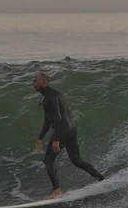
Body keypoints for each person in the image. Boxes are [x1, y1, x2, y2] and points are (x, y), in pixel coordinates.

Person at [32, 71, 105, 199]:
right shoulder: (50, 95)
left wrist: (56, 140)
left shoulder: (50, 97)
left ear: (44, 82)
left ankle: (57, 191)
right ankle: (102, 180)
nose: (33, 82)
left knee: (48, 160)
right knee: (77, 160)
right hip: (70, 130)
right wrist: (40, 138)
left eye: (35, 80)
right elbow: (48, 120)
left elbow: (57, 118)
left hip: (62, 131)